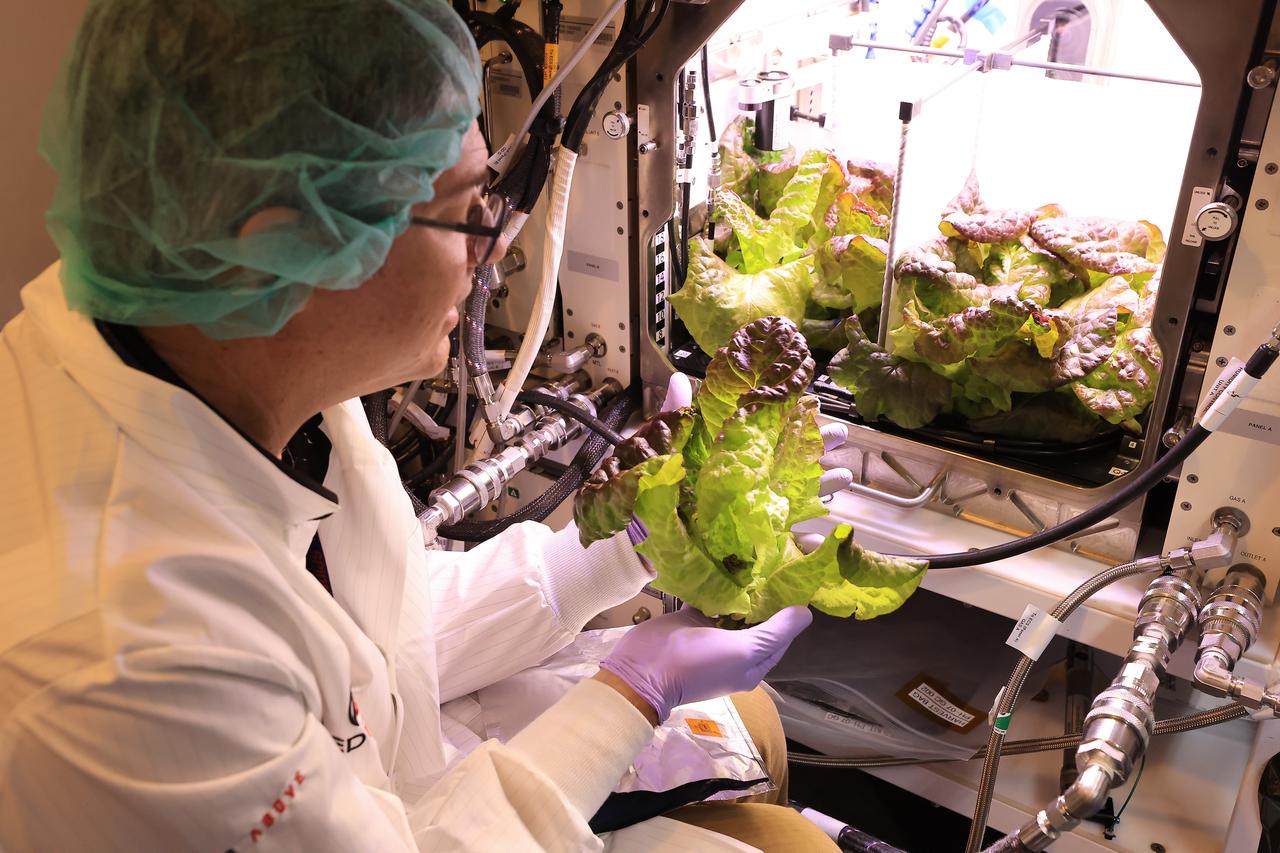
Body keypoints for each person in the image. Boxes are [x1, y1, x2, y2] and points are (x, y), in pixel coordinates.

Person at [0, 1, 851, 850]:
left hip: (381, 776)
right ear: (286, 243)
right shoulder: (130, 660)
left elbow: (376, 629)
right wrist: (635, 688)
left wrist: (615, 551)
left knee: (750, 725)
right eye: (465, 209)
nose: (496, 248)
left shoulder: (235, 367)